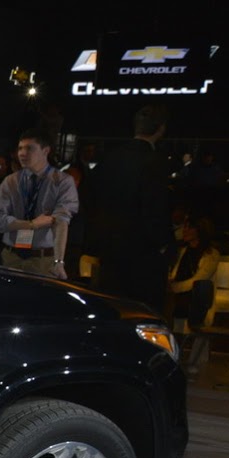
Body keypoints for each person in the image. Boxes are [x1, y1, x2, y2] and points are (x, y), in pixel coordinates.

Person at [83, 104, 173, 312]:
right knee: (143, 313)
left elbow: (90, 197)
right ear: (161, 128)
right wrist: (162, 244)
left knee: (113, 310)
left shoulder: (111, 158)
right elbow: (155, 207)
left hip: (110, 250)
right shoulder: (154, 162)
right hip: (144, 253)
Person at [0, 129, 78, 278]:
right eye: (20, 148)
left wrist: (59, 262)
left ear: (45, 151)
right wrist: (30, 224)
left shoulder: (62, 182)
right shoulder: (11, 181)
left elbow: (61, 222)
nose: (22, 153)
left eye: (29, 148)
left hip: (42, 261)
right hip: (11, 257)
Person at [168, 217, 221, 374]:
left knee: (197, 334)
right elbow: (176, 273)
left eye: (189, 228)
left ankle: (194, 368)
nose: (185, 231)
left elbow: (199, 280)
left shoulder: (211, 254)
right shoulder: (183, 251)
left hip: (197, 301)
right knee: (178, 334)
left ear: (199, 231)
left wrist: (175, 287)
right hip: (180, 301)